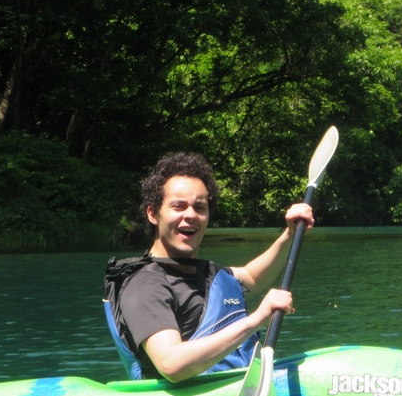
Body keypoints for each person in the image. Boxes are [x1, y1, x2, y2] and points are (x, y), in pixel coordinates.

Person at [110, 152, 314, 383]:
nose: (190, 215)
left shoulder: (205, 272)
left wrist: (290, 233)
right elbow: (171, 364)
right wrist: (257, 320)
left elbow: (251, 276)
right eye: (178, 206)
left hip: (234, 386)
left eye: (199, 207)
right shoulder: (144, 284)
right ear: (153, 214)